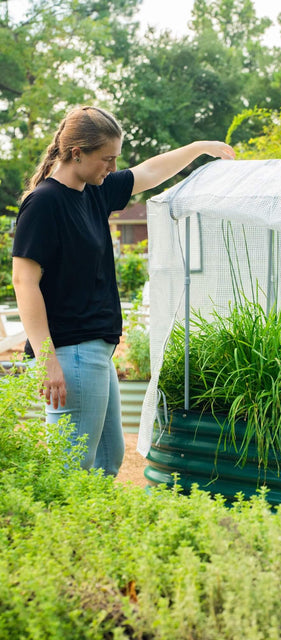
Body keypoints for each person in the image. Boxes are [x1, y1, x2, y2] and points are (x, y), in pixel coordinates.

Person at [12, 105, 235, 476]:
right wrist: (47, 358)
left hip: (93, 352)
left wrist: (198, 147)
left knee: (107, 457)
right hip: (70, 352)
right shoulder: (45, 202)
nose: (112, 168)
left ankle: (90, 532)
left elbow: (148, 171)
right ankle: (62, 532)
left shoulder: (94, 190)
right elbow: (24, 282)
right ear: (76, 153)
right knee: (73, 469)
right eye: (106, 159)